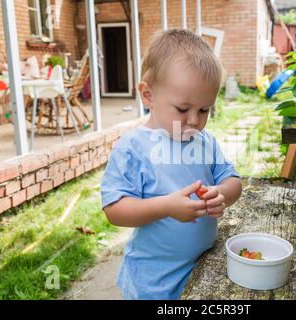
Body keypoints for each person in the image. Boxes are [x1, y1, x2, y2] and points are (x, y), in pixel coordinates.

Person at [100, 29, 243, 300]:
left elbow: (232, 179)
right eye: (182, 108)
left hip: (200, 266)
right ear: (148, 95)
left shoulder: (205, 141)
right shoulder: (133, 148)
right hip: (152, 281)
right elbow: (115, 210)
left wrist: (221, 194)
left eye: (204, 110)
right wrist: (167, 207)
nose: (194, 121)